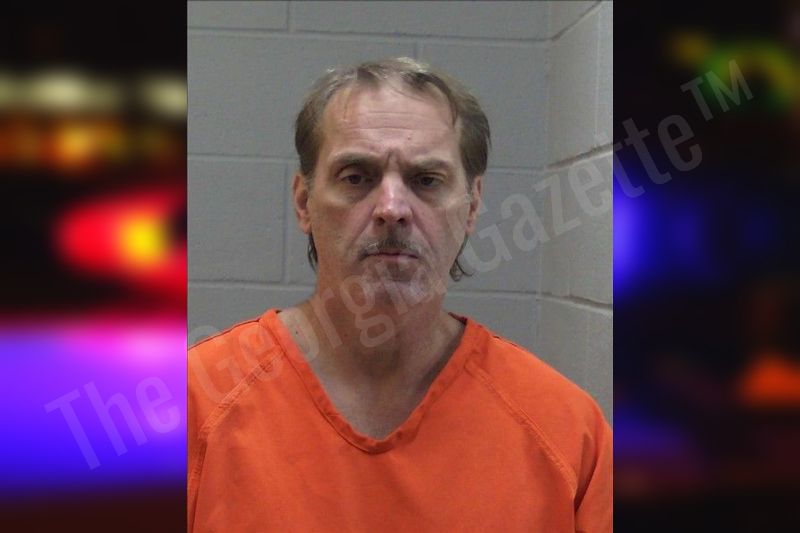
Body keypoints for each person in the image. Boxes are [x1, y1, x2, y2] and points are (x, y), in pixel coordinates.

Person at [188, 57, 612, 532]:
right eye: (356, 176)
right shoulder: (194, 405)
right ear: (304, 202)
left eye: (426, 180)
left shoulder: (568, 433)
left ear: (472, 206)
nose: (392, 209)